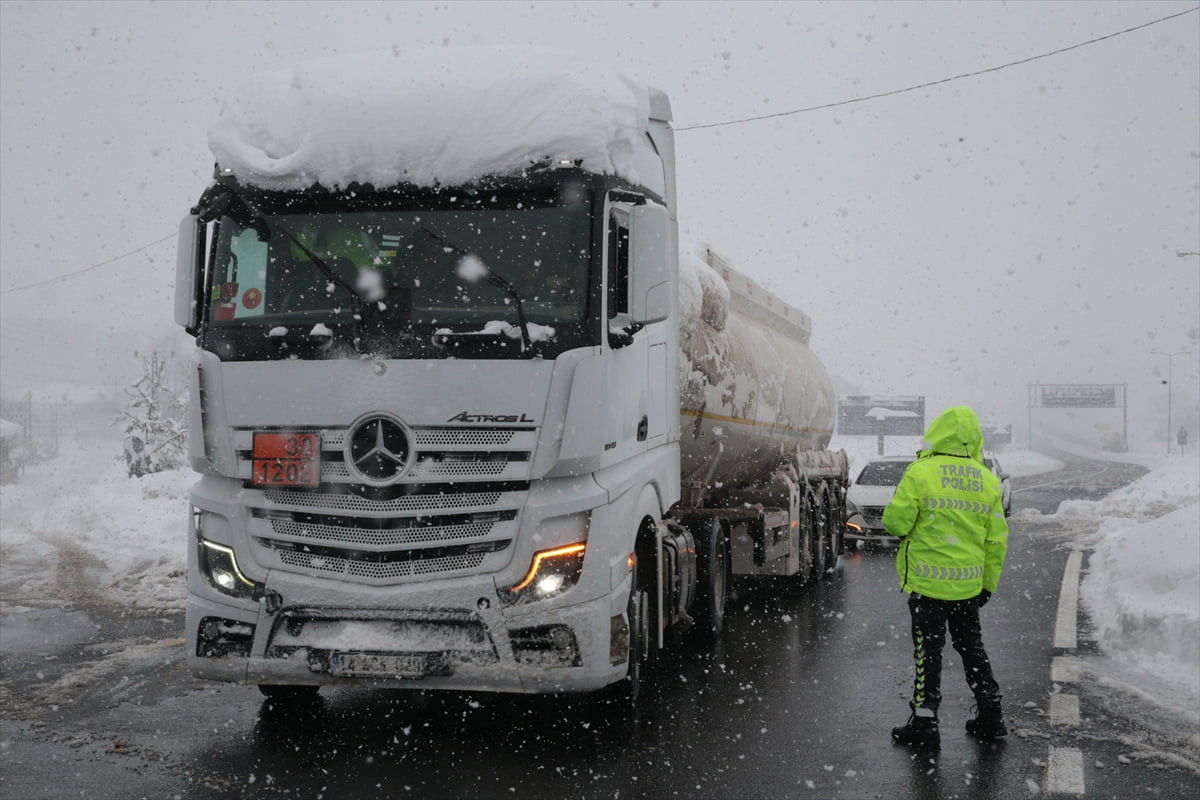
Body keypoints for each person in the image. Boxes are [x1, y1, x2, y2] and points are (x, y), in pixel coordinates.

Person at [882, 405, 1010, 748]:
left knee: (928, 652)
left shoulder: (921, 472)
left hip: (928, 585)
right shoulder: (987, 480)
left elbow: (895, 523)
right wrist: (987, 584)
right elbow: (996, 539)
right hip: (968, 587)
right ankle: (991, 715)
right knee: (972, 649)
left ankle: (925, 725)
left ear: (938, 433)